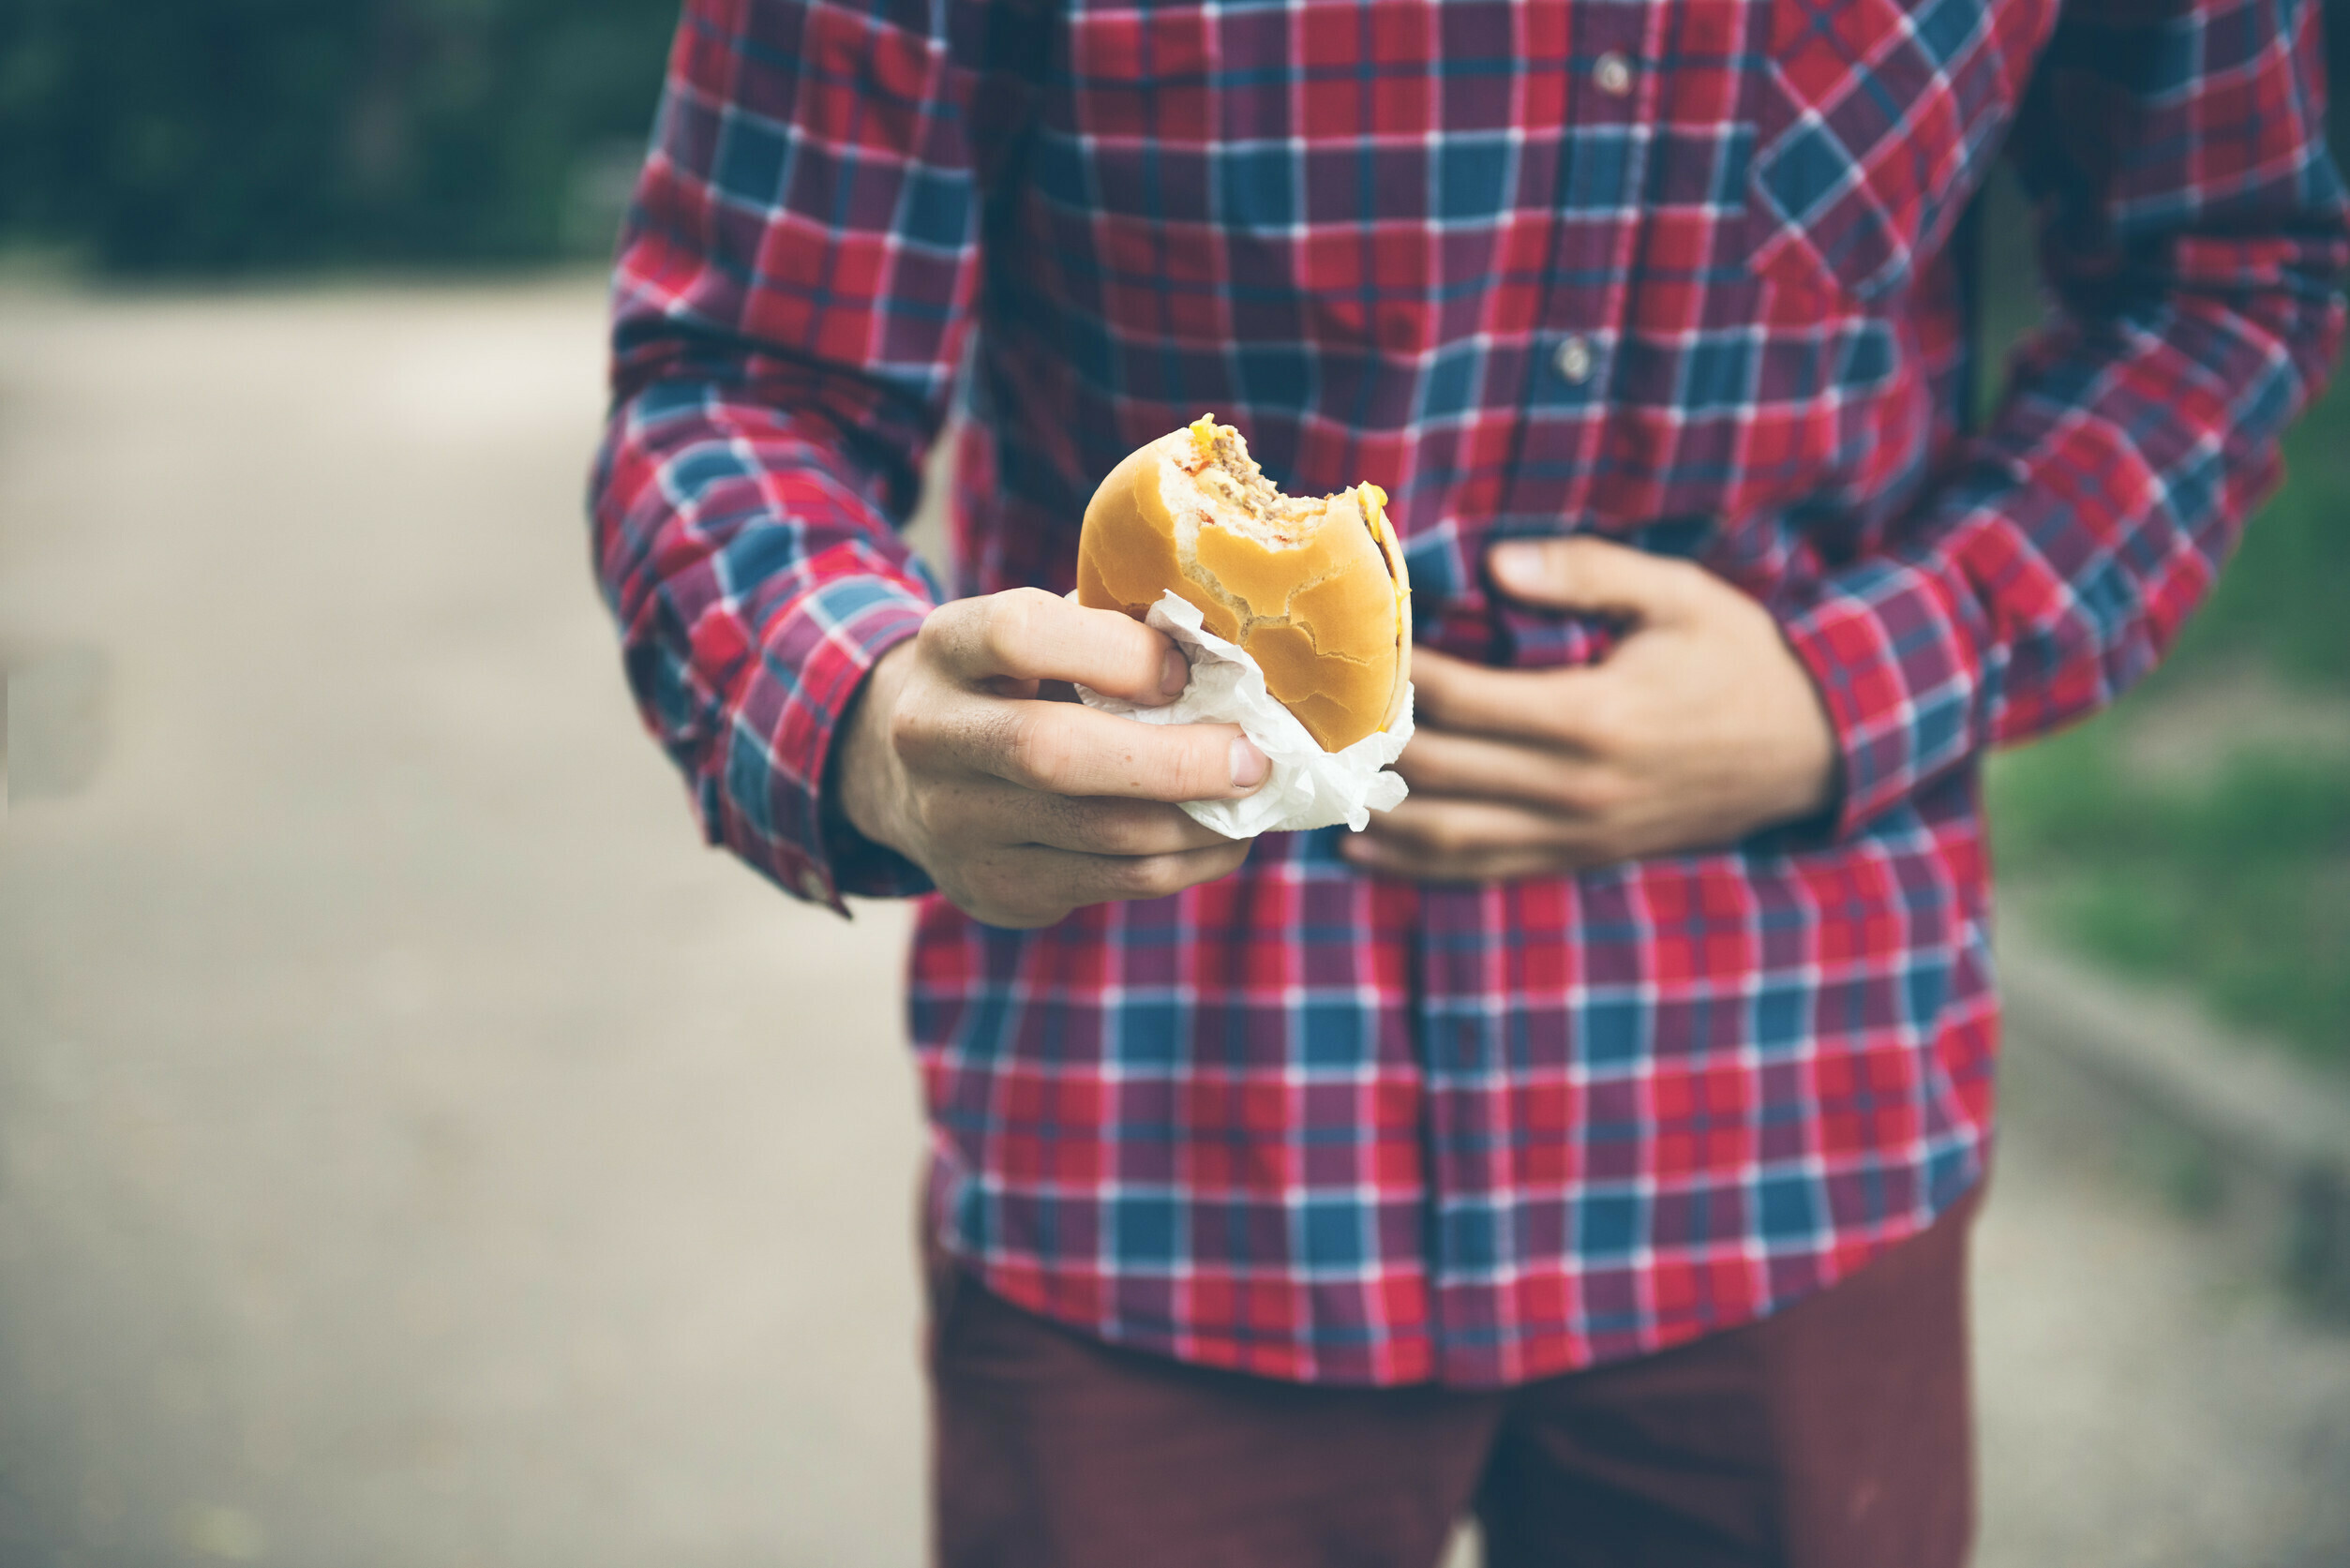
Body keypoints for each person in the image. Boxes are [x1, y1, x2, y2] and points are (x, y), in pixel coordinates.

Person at [590, 0, 2345, 1561]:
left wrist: (1862, 683)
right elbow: (739, 377)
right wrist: (871, 720)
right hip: (1158, 1131)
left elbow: (2233, 264)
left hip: (1791, 1097)